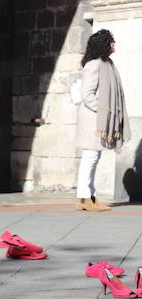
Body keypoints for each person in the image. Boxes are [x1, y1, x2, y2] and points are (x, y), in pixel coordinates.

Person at [75, 29, 130, 212]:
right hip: (93, 121)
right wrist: (106, 109)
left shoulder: (107, 64)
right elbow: (87, 95)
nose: (114, 45)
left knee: (93, 157)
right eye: (112, 42)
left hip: (99, 121)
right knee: (90, 158)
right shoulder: (94, 65)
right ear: (104, 44)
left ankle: (90, 196)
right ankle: (83, 198)